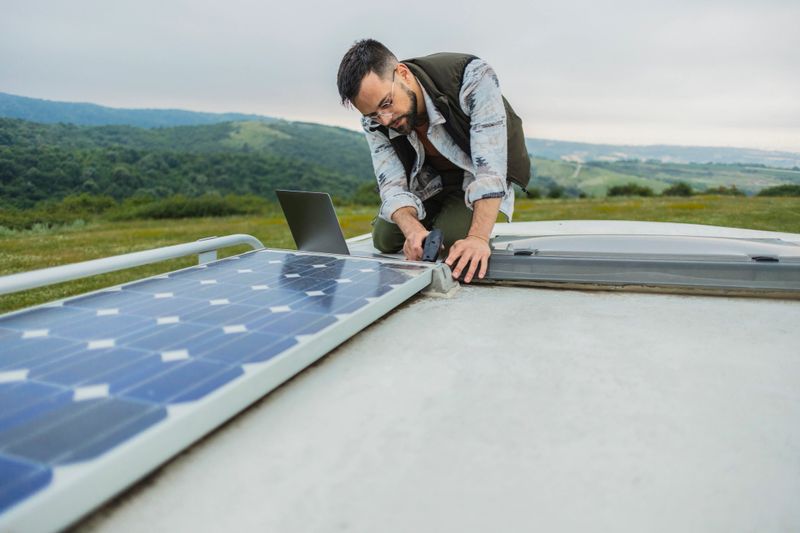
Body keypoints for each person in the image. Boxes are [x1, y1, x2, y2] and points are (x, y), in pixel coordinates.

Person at [336, 39, 530, 283]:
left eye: (386, 104)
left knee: (451, 243)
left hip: (472, 178)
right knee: (385, 240)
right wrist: (413, 230)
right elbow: (391, 184)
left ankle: (452, 221)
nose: (384, 120)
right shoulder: (375, 121)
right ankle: (429, 222)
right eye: (373, 113)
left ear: (403, 74)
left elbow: (489, 169)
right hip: (428, 181)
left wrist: (478, 239)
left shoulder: (473, 77)